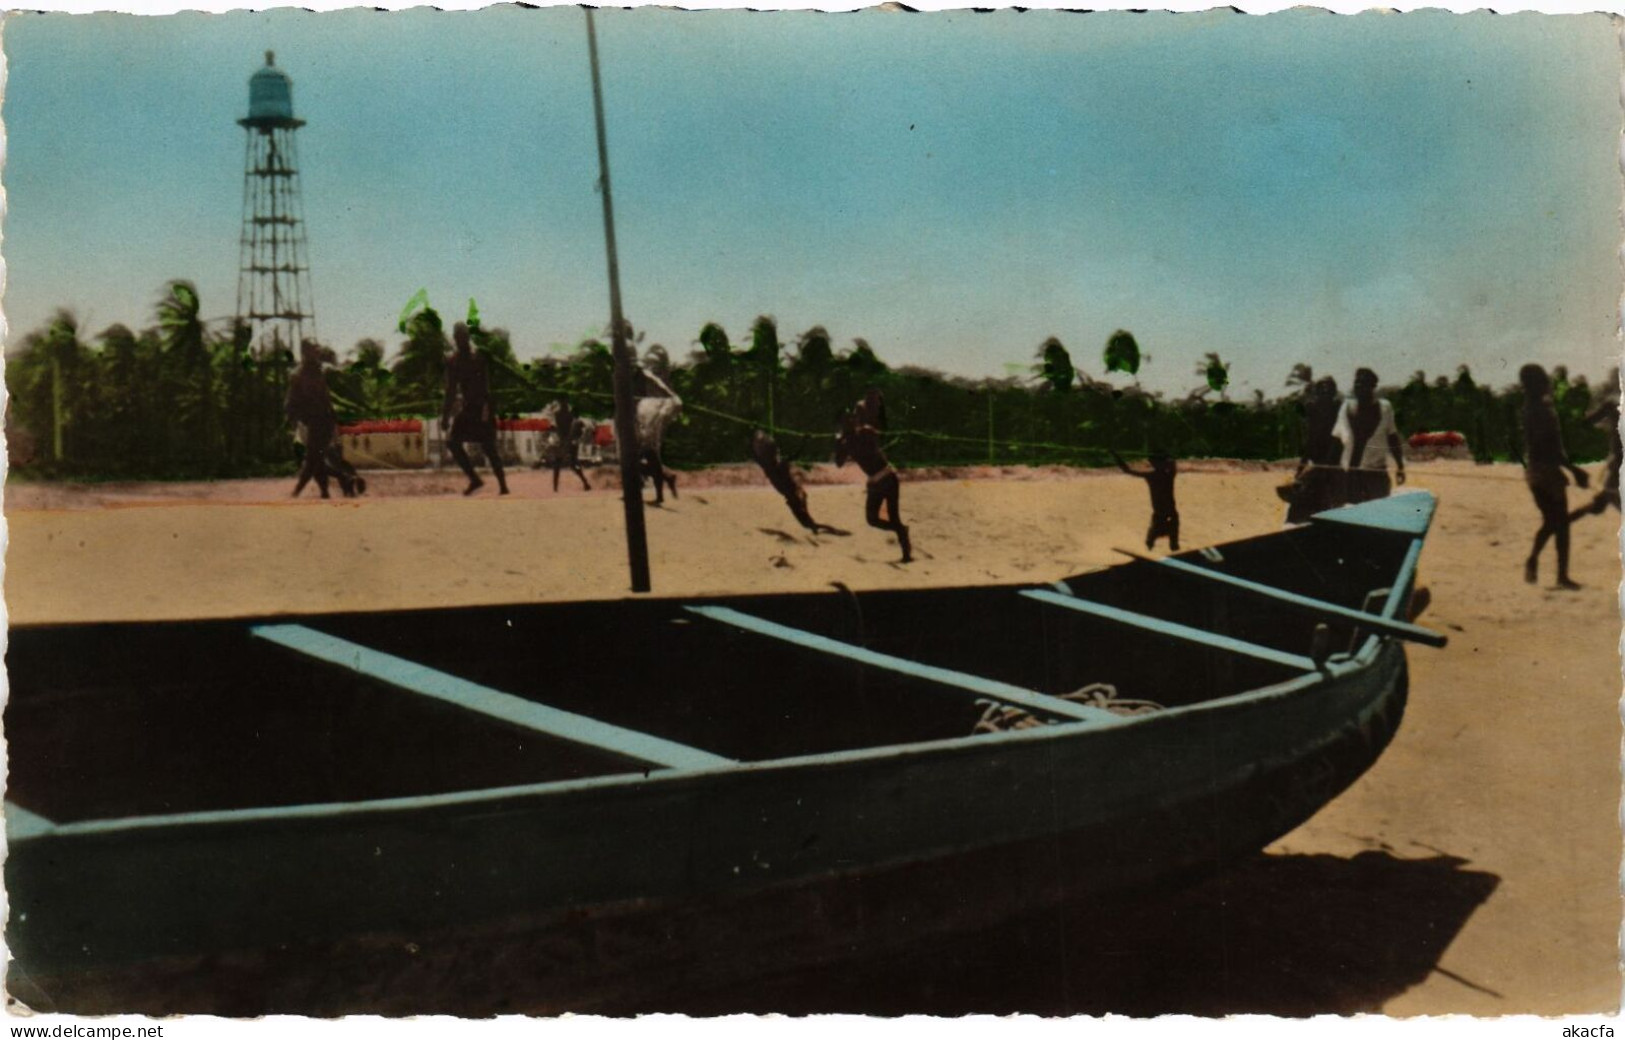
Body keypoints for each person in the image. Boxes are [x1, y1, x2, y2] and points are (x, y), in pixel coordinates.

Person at [1519, 364, 1589, 589]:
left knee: (1551, 521)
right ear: (1538, 384)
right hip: (1548, 473)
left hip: (1535, 472)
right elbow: (1551, 448)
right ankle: (1561, 576)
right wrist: (1574, 470)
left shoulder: (1529, 409)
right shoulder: (1543, 411)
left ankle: (1533, 559)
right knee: (1560, 524)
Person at [835, 403, 911, 563]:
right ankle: (902, 532)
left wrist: (841, 441)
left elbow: (872, 438)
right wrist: (839, 443)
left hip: (886, 478)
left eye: (851, 419)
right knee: (873, 520)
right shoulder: (849, 440)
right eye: (847, 420)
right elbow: (839, 463)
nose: (850, 422)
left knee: (890, 518)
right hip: (879, 481)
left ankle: (906, 552)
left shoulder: (862, 433)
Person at [442, 322, 509, 496]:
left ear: (468, 337)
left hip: (484, 406)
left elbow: (504, 368)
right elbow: (450, 391)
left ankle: (503, 485)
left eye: (463, 337)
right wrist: (445, 416)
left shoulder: (480, 355)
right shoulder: (453, 361)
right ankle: (474, 479)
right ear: (454, 339)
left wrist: (526, 383)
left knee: (488, 447)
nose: (460, 341)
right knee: (452, 442)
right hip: (468, 408)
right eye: (457, 338)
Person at [1331, 368, 1405, 504]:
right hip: (1351, 474)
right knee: (1352, 514)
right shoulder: (1346, 408)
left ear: (1372, 387)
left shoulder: (1385, 408)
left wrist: (1400, 466)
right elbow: (1336, 440)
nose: (1359, 386)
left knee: (1378, 513)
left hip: (1376, 472)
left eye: (1364, 383)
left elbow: (1392, 437)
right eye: (1357, 382)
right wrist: (1332, 469)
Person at [751, 430, 844, 535]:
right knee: (807, 521)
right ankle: (819, 531)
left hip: (794, 497)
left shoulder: (771, 466)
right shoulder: (777, 464)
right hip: (798, 494)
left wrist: (804, 441)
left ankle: (830, 531)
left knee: (807, 523)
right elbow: (795, 454)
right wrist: (805, 441)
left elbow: (756, 455)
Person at [1285, 377, 1345, 522]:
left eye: (1328, 391)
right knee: (1299, 504)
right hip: (1317, 464)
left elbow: (1340, 439)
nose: (1324, 394)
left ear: (1333, 393)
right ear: (1317, 393)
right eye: (1321, 391)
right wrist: (1301, 467)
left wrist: (1327, 465)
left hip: (1335, 464)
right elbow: (1311, 440)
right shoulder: (1312, 409)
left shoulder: (1338, 409)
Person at [285, 340, 338, 500]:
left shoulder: (320, 371)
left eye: (316, 350)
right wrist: (292, 415)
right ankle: (326, 490)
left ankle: (298, 491)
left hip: (324, 419)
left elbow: (327, 396)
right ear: (305, 352)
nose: (315, 353)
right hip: (312, 420)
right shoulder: (299, 374)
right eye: (312, 350)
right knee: (316, 457)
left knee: (314, 457)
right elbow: (292, 398)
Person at [1112, 449, 1180, 552]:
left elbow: (1127, 470)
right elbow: (1172, 464)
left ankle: (1153, 546)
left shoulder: (1153, 476)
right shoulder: (1169, 475)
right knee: (1169, 542)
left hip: (1161, 513)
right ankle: (1161, 547)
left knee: (1152, 539)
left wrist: (1116, 456)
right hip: (1169, 512)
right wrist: (1170, 457)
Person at [635, 367, 681, 505]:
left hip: (652, 441)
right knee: (651, 466)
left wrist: (654, 378)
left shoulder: (666, 404)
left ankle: (665, 479)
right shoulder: (644, 403)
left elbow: (676, 400)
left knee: (636, 465)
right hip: (646, 440)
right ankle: (665, 480)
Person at [1568, 396, 1619, 520]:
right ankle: (1562, 522)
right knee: (1605, 499)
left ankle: (1562, 522)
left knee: (1604, 500)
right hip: (1618, 461)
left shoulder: (1613, 405)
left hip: (1618, 460)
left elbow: (1590, 420)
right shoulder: (1613, 405)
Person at [545, 399, 591, 493]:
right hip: (569, 443)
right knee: (573, 464)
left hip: (563, 443)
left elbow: (557, 429)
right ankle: (584, 482)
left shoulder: (558, 415)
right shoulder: (570, 416)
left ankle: (555, 487)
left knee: (559, 465)